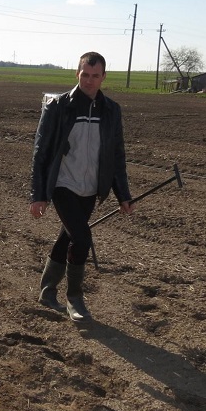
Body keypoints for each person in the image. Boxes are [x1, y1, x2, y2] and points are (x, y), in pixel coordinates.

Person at [28, 52, 135, 323]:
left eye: (95, 76)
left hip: (91, 189)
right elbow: (41, 152)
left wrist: (123, 194)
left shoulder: (111, 110)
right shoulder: (59, 106)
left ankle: (47, 291)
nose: (89, 81)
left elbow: (116, 155)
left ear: (103, 77)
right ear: (77, 74)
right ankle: (74, 298)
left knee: (68, 237)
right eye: (84, 75)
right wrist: (38, 195)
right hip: (63, 184)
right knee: (82, 238)